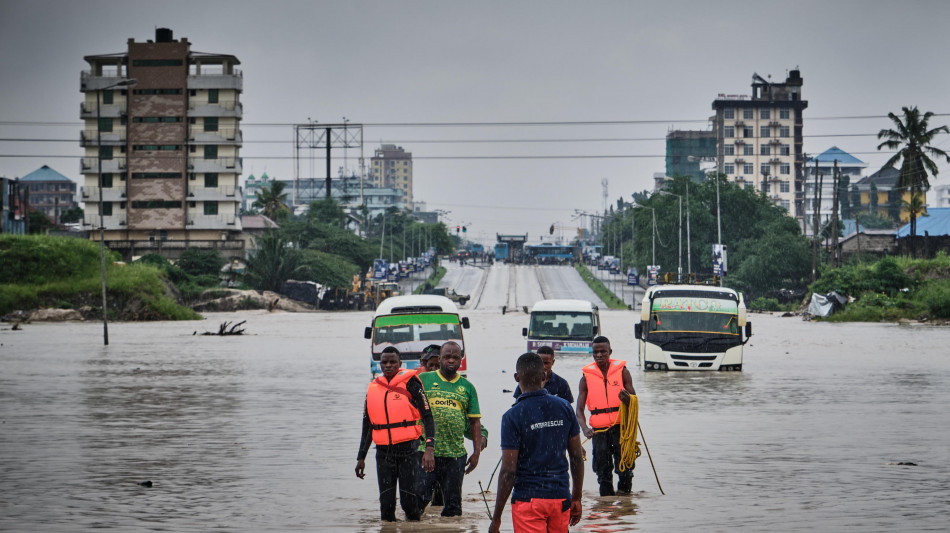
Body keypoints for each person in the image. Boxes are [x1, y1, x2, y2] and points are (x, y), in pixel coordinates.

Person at [489, 352, 584, 533]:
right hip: (560, 497)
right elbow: (577, 457)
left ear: (517, 377)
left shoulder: (512, 416)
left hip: (528, 500)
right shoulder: (564, 407)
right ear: (544, 375)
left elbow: (508, 471)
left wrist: (497, 518)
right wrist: (576, 498)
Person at [356, 347, 435, 522]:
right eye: (384, 362)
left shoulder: (411, 384)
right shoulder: (373, 388)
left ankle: (415, 526)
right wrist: (361, 457)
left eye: (392, 362)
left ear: (400, 363)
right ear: (380, 364)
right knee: (386, 506)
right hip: (383, 453)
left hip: (409, 451)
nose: (388, 365)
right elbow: (367, 425)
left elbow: (428, 417)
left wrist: (429, 447)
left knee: (409, 504)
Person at [417, 341, 482, 516]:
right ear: (440, 359)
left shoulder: (468, 387)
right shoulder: (423, 380)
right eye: (447, 357)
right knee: (417, 503)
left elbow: (475, 422)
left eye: (455, 357)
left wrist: (476, 453)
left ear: (461, 360)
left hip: (455, 456)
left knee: (453, 508)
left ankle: (450, 527)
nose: (451, 360)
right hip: (426, 452)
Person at [575, 336, 637, 496]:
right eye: (596, 352)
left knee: (625, 468)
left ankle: (625, 502)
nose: (599, 355)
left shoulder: (623, 372)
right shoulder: (586, 377)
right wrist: (585, 429)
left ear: (610, 352)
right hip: (599, 431)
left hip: (622, 429)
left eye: (603, 351)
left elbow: (634, 401)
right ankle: (606, 504)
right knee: (602, 470)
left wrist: (628, 399)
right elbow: (579, 410)